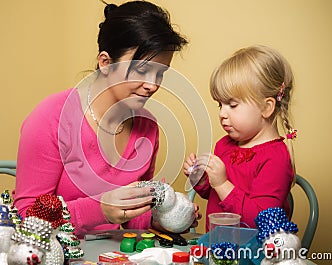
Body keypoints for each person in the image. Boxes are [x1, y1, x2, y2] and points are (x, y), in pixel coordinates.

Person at [13, 0, 199, 237]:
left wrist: (163, 218)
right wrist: (100, 210)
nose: (152, 85)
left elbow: (132, 218)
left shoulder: (148, 127)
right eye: (141, 70)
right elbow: (25, 217)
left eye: (160, 74)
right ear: (106, 63)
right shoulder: (52, 117)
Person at [184, 45, 297, 230]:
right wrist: (202, 179)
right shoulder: (224, 145)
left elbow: (261, 221)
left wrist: (222, 183)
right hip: (219, 247)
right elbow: (216, 198)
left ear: (266, 108)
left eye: (232, 105)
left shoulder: (275, 158)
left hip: (251, 254)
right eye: (220, 104)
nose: (222, 113)